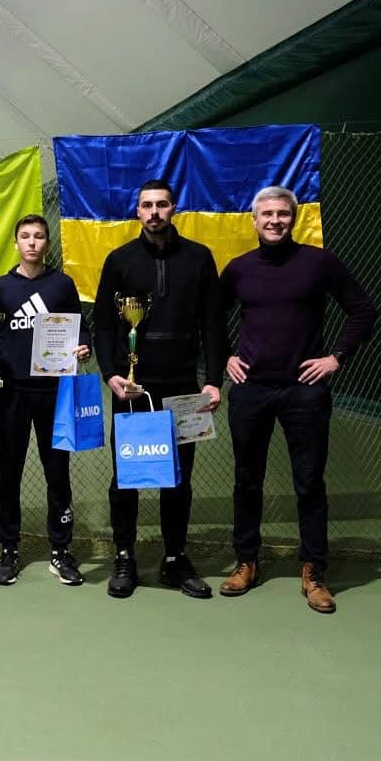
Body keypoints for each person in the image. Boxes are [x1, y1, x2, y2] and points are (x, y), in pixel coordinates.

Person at [219, 186, 377, 614]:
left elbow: (362, 309)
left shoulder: (319, 263)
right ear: (253, 220)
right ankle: (246, 562)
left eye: (282, 214)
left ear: (294, 218)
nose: (274, 221)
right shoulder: (238, 269)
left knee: (309, 483)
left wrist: (336, 358)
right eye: (266, 214)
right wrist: (226, 358)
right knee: (246, 479)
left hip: (304, 392)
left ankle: (314, 571)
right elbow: (211, 319)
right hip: (250, 391)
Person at [93, 178, 224, 600]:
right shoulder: (119, 260)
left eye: (162, 205)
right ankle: (125, 556)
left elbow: (214, 325)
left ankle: (174, 558)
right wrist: (112, 375)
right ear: (138, 212)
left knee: (178, 479)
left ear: (173, 209)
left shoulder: (200, 259)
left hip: (185, 389)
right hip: (133, 390)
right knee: (127, 478)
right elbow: (105, 325)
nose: (154, 212)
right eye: (146, 205)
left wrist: (213, 380)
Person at [0, 214, 92, 587]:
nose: (32, 242)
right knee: (8, 473)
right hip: (11, 393)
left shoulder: (62, 284)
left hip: (54, 394)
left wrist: (84, 346)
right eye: (25, 236)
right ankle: (8, 548)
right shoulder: (0, 287)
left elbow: (80, 327)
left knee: (57, 474)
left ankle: (61, 551)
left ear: (46, 243)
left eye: (39, 236)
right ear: (16, 243)